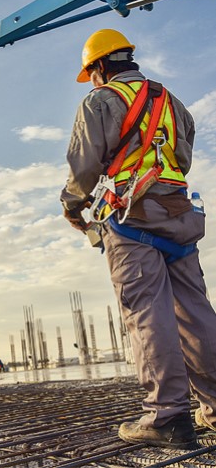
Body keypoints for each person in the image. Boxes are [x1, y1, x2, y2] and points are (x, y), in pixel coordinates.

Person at [60, 28, 216, 450]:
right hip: (179, 214)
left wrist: (72, 205)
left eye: (90, 71)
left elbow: (84, 165)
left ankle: (167, 417)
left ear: (100, 66)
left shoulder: (100, 100)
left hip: (132, 219)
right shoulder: (171, 101)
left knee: (148, 314)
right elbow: (181, 156)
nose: (91, 80)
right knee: (196, 313)